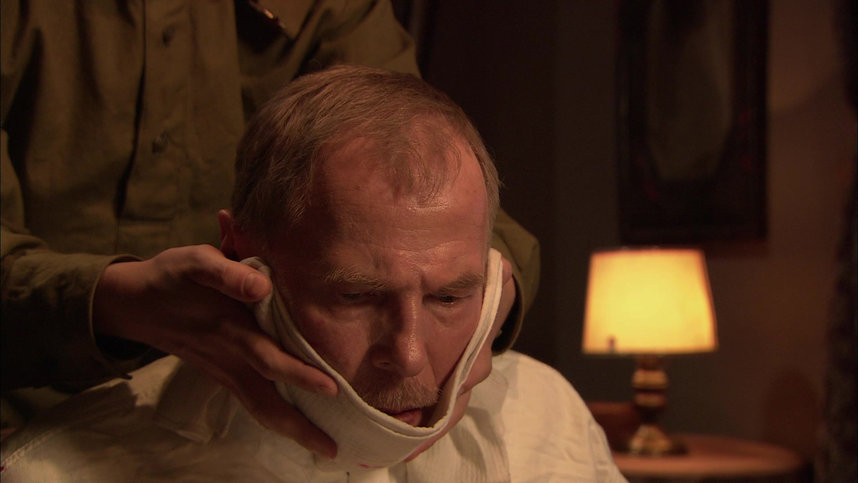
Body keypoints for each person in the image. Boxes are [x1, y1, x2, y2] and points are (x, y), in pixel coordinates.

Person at [0, 65, 623, 482]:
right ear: (240, 254)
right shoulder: (55, 471)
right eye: (355, 296)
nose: (409, 357)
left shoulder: (550, 419)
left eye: (450, 296)